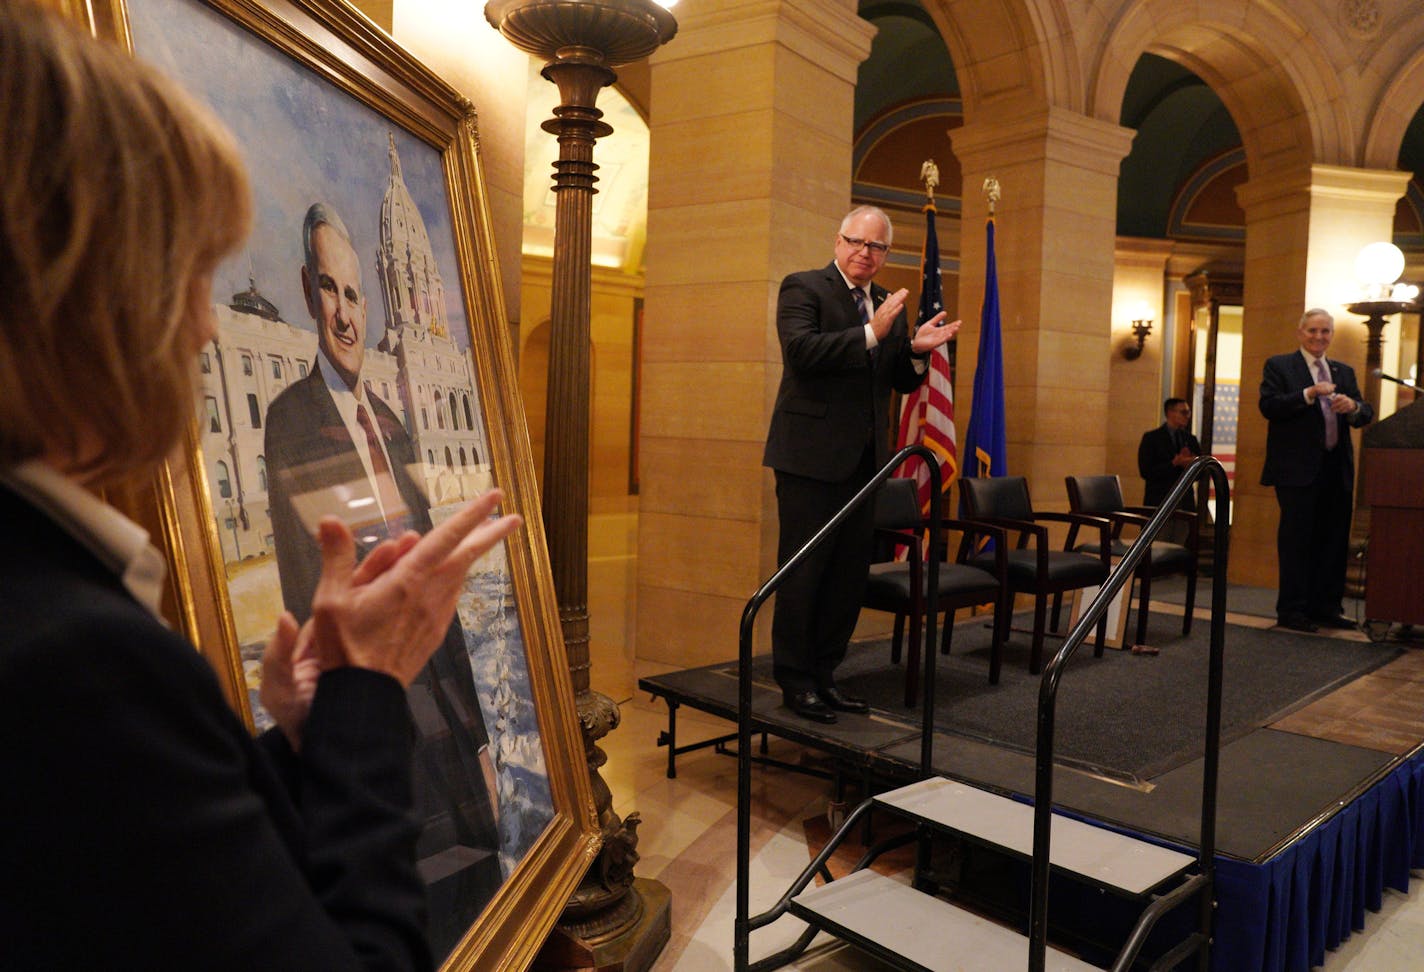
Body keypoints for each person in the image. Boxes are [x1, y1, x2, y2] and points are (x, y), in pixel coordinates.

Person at [0, 4, 520, 968]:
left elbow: (176, 867)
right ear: (78, 291)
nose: (205, 329)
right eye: (188, 275)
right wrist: (361, 697)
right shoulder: (75, 659)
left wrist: (298, 741)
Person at [265, 204, 502, 952]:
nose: (344, 313)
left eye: (355, 294)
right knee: (417, 910)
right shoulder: (291, 421)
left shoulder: (394, 426)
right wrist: (347, 729)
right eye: (330, 290)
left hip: (445, 719)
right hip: (372, 719)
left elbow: (438, 590)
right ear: (309, 292)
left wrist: (483, 741)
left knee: (482, 890)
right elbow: (313, 594)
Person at [763, 205, 960, 723]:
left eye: (876, 247)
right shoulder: (803, 288)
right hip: (808, 461)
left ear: (885, 254)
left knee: (847, 577)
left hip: (866, 464)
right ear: (838, 240)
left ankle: (826, 676)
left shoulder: (885, 303)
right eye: (856, 242)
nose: (864, 253)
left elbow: (897, 379)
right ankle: (795, 681)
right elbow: (802, 352)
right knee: (805, 573)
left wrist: (915, 351)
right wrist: (873, 332)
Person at [1259, 308, 1373, 633]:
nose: (1319, 337)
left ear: (1331, 336)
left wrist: (1353, 408)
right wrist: (1308, 394)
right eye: (1312, 331)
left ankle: (1327, 608)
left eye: (1325, 332)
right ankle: (1292, 610)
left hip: (1335, 471)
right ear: (1300, 333)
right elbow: (1269, 406)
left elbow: (1365, 413)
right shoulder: (1280, 365)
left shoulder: (1343, 371)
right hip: (1297, 473)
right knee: (1298, 541)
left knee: (1334, 540)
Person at [1138, 398, 1202, 508]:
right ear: (1170, 413)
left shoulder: (1190, 439)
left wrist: (1192, 465)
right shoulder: (1152, 438)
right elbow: (1146, 471)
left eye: (1188, 412)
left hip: (1185, 503)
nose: (1187, 416)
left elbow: (1201, 473)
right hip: (1159, 502)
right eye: (1183, 412)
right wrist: (1173, 463)